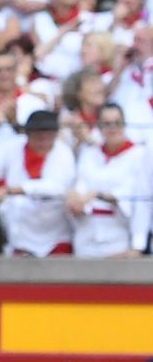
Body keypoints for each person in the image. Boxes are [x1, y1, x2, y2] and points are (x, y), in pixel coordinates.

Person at [67, 102, 150, 257]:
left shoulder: (138, 154)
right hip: (86, 236)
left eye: (117, 123)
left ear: (125, 125)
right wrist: (74, 198)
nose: (112, 129)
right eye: (106, 124)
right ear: (98, 127)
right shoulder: (90, 153)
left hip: (117, 239)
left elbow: (141, 201)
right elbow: (80, 187)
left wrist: (138, 246)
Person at [0, 108, 76, 255]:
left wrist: (11, 190)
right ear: (27, 134)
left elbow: (57, 187)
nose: (43, 142)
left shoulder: (63, 153)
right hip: (21, 239)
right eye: (38, 136)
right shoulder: (13, 148)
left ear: (55, 135)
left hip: (55, 239)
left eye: (48, 136)